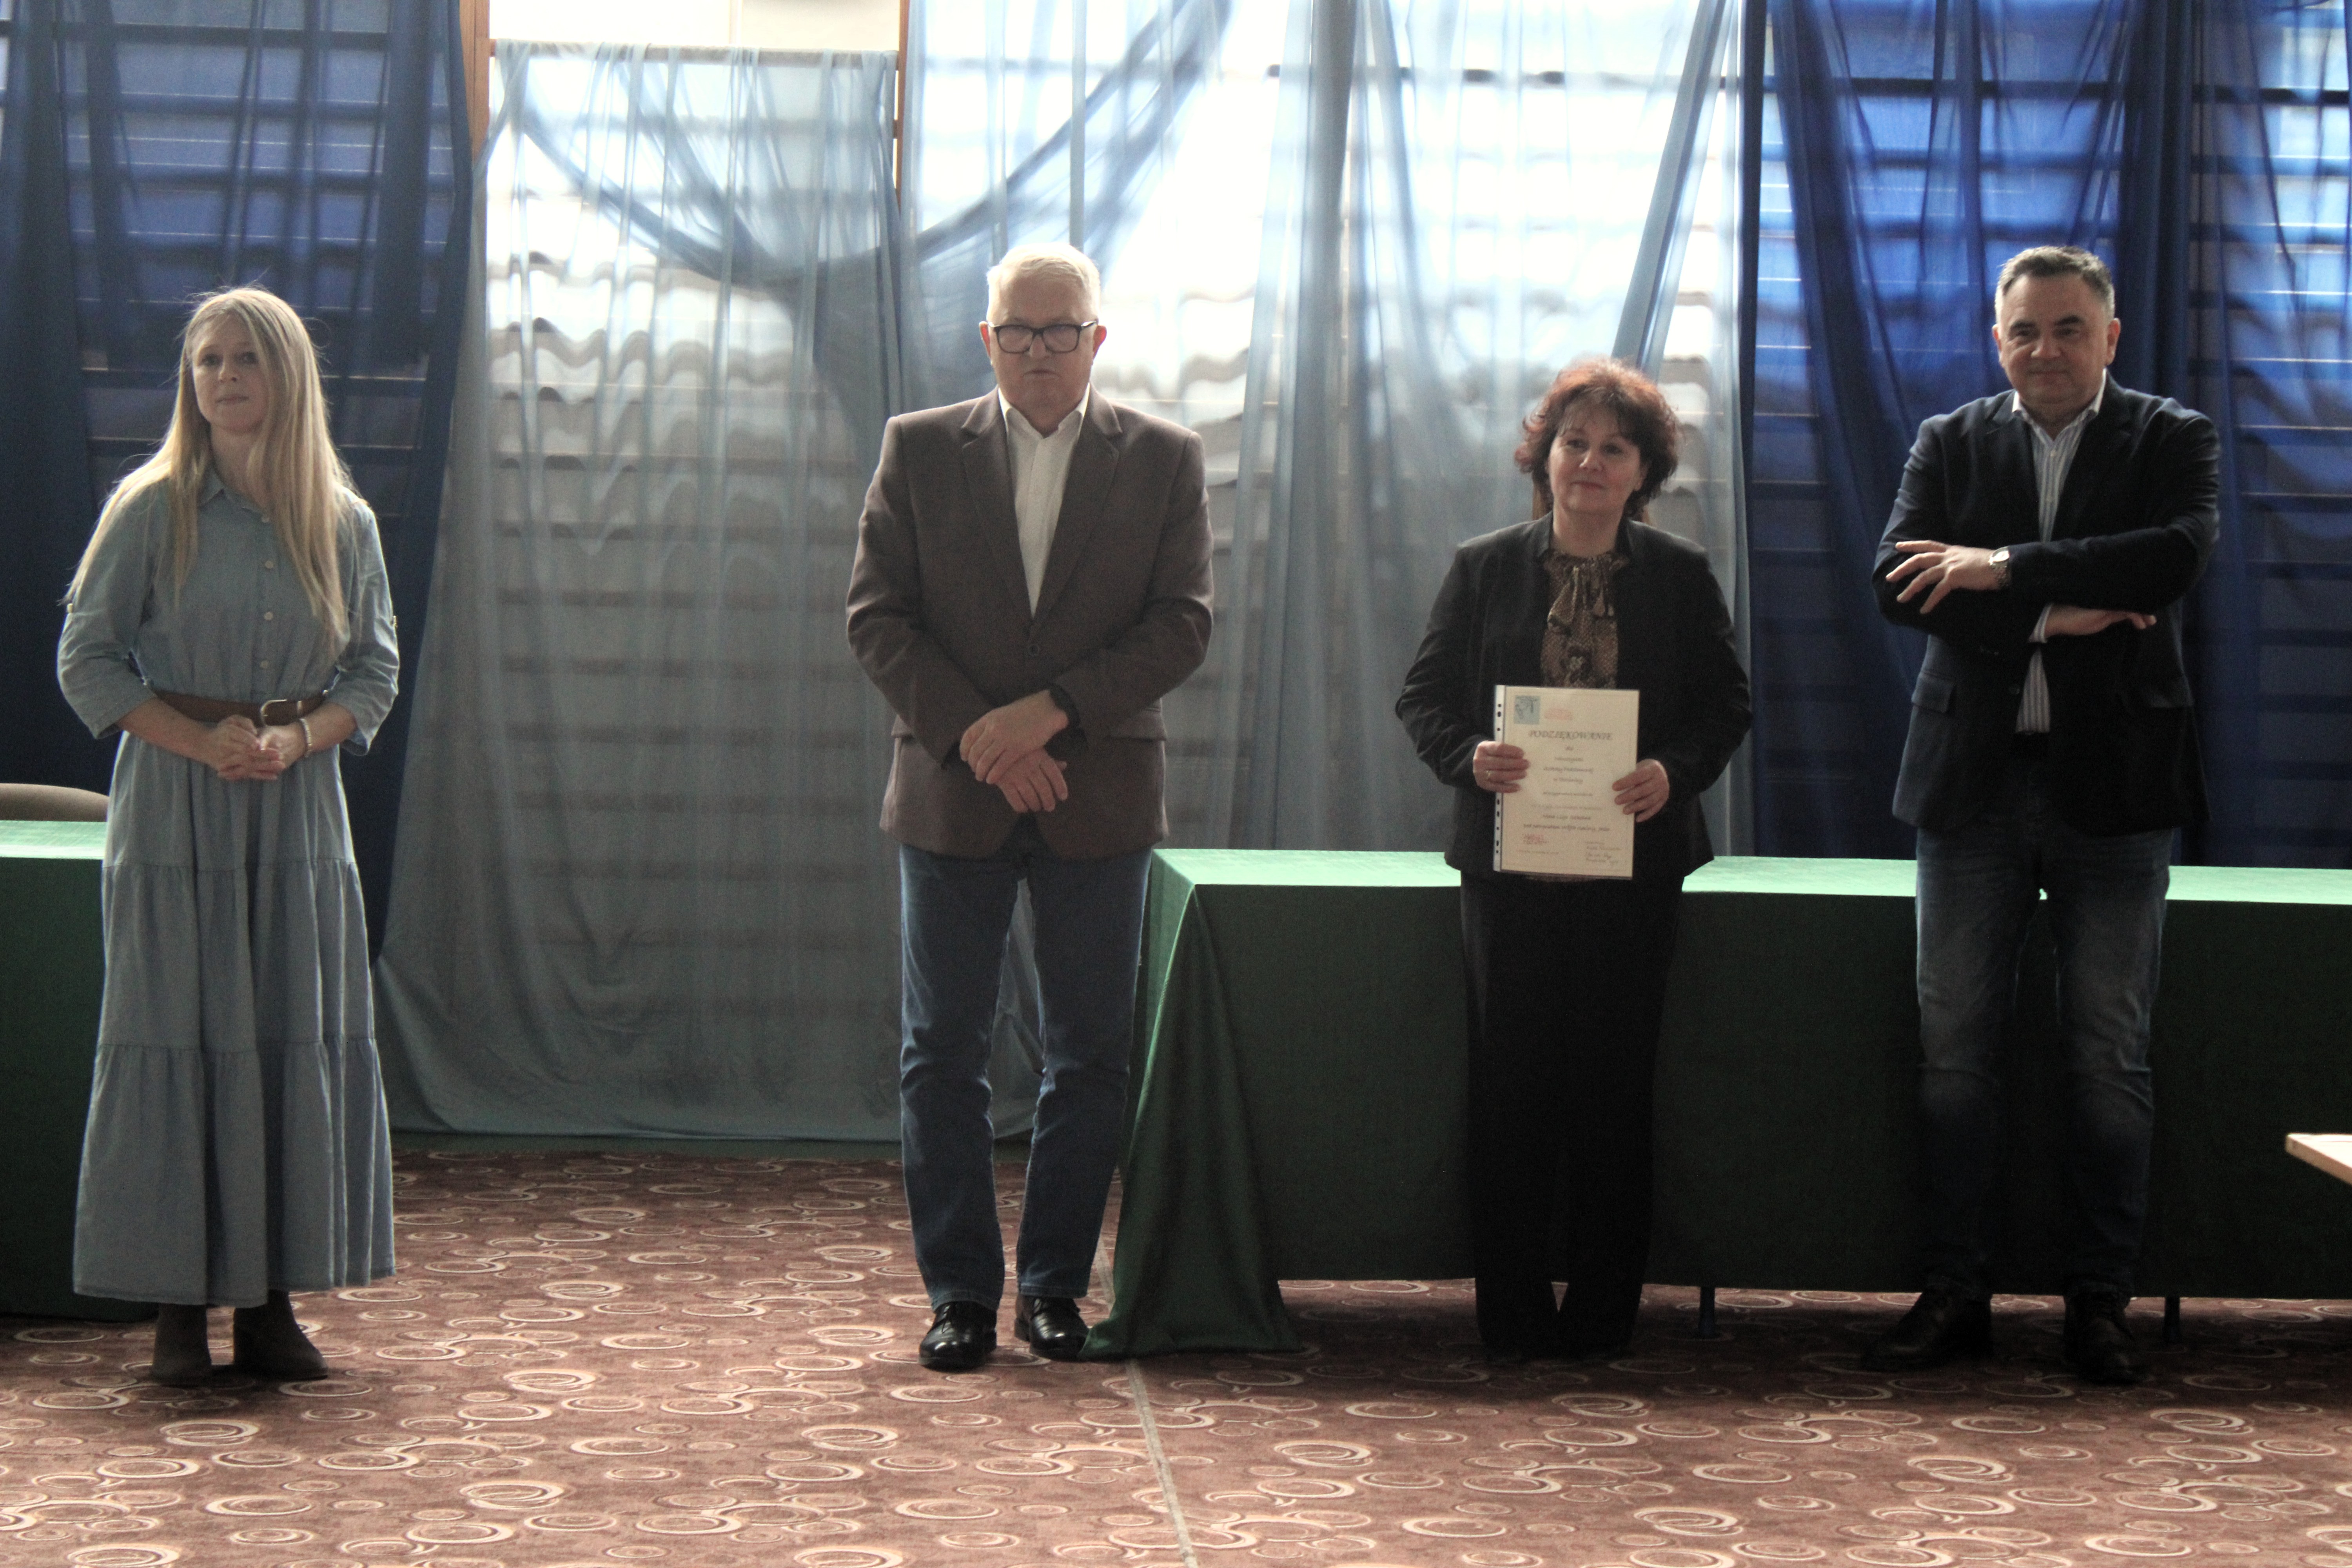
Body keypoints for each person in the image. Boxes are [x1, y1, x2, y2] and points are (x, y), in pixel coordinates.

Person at [845, 242, 1213, 1371]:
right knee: (940, 1053)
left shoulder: (1164, 457)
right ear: (987, 338)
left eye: (1061, 332)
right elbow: (877, 617)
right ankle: (959, 1292)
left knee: (1089, 1052)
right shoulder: (919, 448)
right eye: (1017, 331)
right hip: (954, 792)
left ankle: (1053, 1285)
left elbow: (1182, 624)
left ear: (1097, 340)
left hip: (1097, 789)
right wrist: (983, 739)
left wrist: (1048, 715)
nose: (1038, 351)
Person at [1866, 246, 2218, 1385]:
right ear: (1997, 340)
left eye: (2069, 328)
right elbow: (1896, 583)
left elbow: (2169, 559)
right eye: (2025, 330)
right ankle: (1954, 1294)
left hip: (2117, 795)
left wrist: (2003, 568)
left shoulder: (2172, 438)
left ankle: (2099, 1305)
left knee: (2108, 1056)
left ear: (2109, 337)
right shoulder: (1949, 440)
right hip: (1971, 790)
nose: (2046, 349)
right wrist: (2051, 618)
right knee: (1954, 1055)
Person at [55, 287, 401, 1387]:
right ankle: (175, 1309)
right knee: (176, 1033)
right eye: (208, 361)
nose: (224, 377)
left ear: (287, 375)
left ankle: (269, 1305)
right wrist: (202, 744)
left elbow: (375, 673)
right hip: (176, 803)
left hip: (295, 809)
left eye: (246, 358)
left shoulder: (343, 523)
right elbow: (87, 660)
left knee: (286, 1034)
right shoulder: (150, 507)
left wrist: (294, 743)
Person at [1396, 359, 1750, 1360]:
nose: (1590, 462)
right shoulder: (1483, 566)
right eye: (1574, 443)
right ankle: (1510, 1313)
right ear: (1543, 457)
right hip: (1509, 872)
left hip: (1635, 872)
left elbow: (1726, 706)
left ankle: (1602, 1315)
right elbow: (1422, 698)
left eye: (1614, 449)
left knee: (1614, 1092)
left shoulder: (1680, 573)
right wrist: (1469, 755)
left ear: (1644, 472)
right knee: (1509, 1093)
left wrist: (1672, 771)